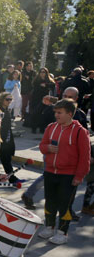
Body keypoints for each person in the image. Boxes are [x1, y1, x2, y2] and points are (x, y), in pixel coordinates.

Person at [37, 99, 90, 245]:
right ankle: (49, 227)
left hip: (69, 175)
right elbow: (42, 146)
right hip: (50, 172)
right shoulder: (50, 127)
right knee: (50, 202)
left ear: (70, 114)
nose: (56, 115)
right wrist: (47, 148)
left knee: (64, 205)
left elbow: (85, 157)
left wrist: (79, 176)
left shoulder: (80, 132)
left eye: (59, 113)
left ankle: (62, 233)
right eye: (55, 112)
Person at [30, 68, 56, 134]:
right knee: (36, 113)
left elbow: (53, 85)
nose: (42, 73)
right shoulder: (36, 80)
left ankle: (42, 128)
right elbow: (35, 87)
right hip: (36, 98)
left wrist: (46, 85)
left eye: (44, 72)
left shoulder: (49, 80)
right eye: (41, 72)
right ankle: (34, 128)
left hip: (45, 99)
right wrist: (41, 86)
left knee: (44, 114)